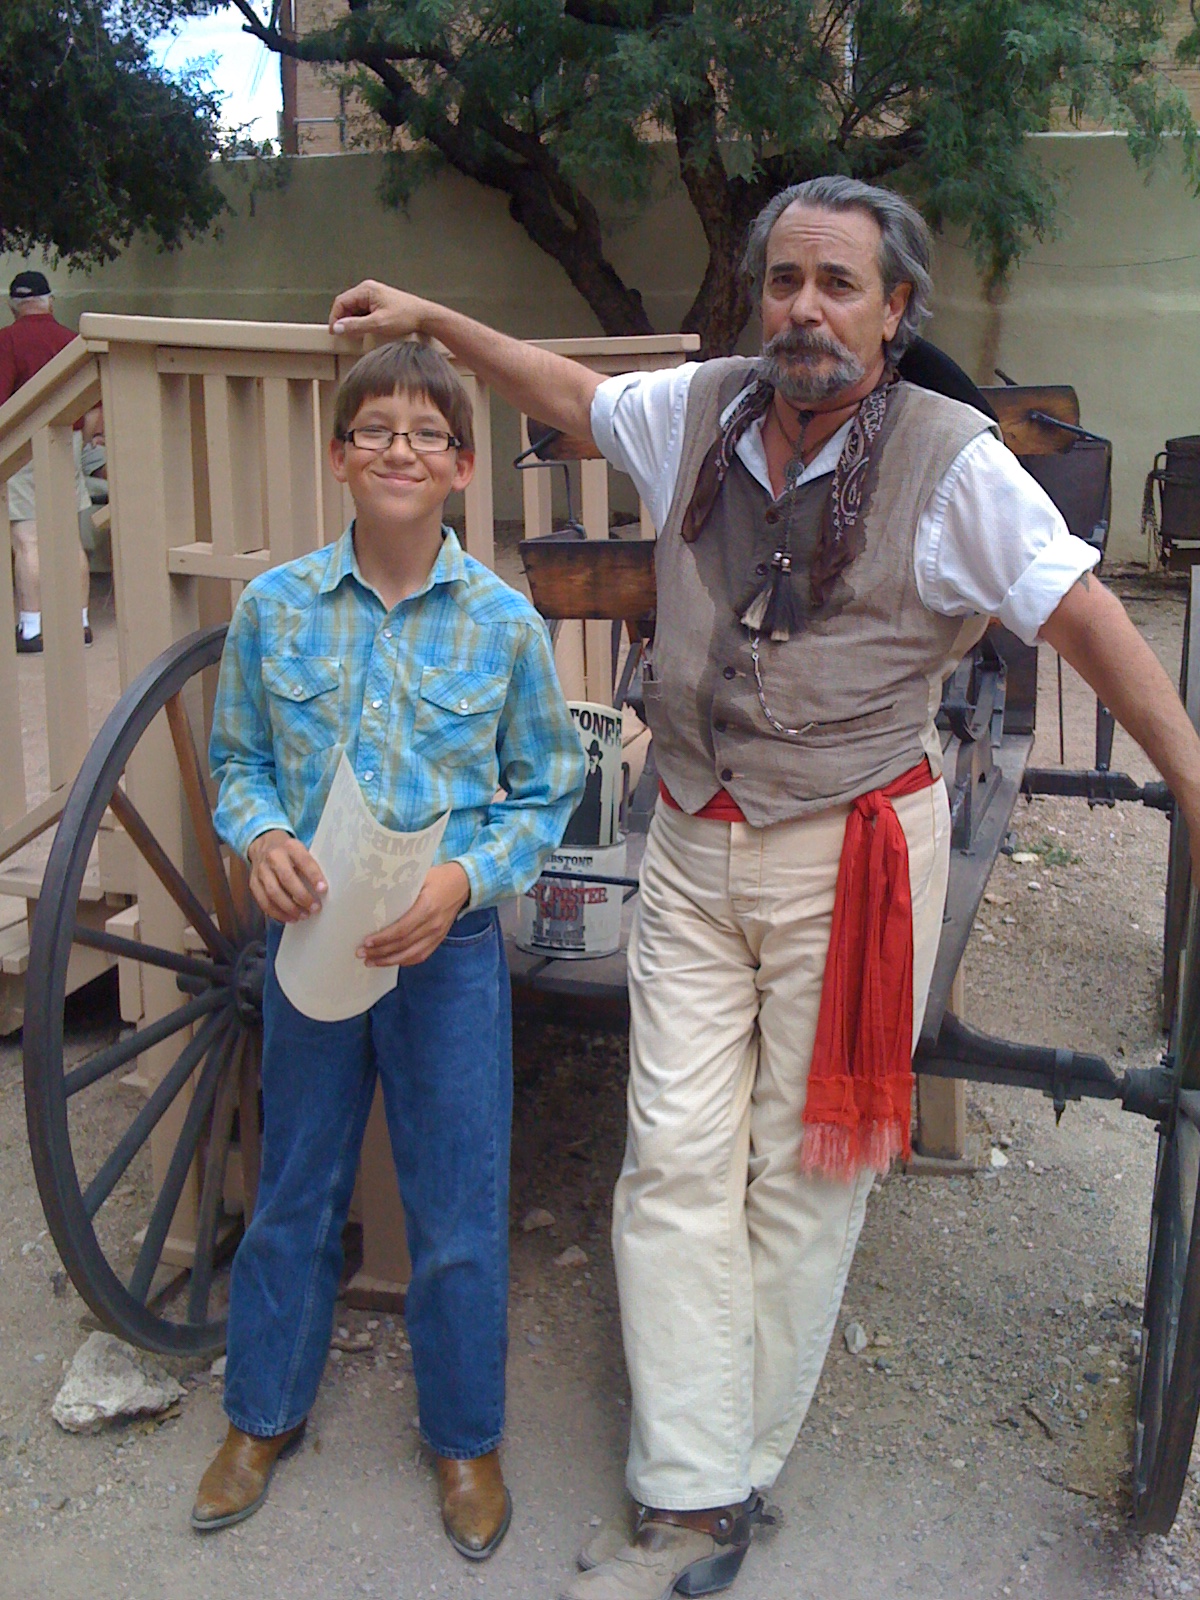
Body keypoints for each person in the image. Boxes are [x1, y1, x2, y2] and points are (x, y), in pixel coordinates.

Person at [329, 176, 1200, 1600]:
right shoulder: (701, 408)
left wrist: (1194, 783)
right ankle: (689, 1492)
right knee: (673, 1156)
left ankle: (727, 1470)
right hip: (689, 838)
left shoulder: (954, 461)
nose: (805, 308)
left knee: (805, 1172)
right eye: (785, 280)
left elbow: (1085, 612)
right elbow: (567, 389)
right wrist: (434, 317)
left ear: (895, 310)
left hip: (854, 856)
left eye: (839, 284)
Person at [195, 341, 585, 1557]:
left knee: (458, 1203)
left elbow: (547, 788)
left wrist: (467, 876)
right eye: (375, 430)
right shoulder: (275, 610)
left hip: (446, 953)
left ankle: (465, 1438)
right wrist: (260, 834)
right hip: (312, 941)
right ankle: (260, 1413)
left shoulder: (505, 625)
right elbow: (238, 760)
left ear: (463, 465)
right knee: (296, 1185)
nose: (399, 450)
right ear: (339, 456)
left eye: (426, 433)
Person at [0, 271, 92, 652]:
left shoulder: (6, 340)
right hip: (67, 441)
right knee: (69, 537)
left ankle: (32, 628)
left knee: (28, 540)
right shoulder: (73, 341)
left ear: (13, 306)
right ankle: (79, 623)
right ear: (50, 302)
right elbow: (90, 404)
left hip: (21, 445)